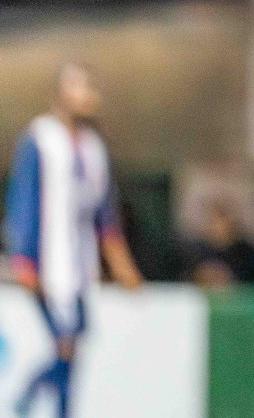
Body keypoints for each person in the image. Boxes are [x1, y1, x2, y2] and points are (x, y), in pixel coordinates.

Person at [5, 63, 143, 418]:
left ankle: (50, 405)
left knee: (73, 346)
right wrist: (24, 258)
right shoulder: (40, 139)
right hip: (49, 265)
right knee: (65, 345)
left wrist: (121, 262)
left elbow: (104, 213)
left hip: (79, 266)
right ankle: (29, 394)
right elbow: (23, 200)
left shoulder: (94, 147)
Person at [185, 200, 254, 288]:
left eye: (222, 220)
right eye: (213, 221)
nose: (217, 226)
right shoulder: (193, 253)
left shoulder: (251, 255)